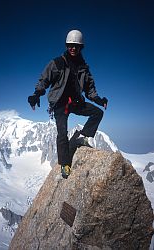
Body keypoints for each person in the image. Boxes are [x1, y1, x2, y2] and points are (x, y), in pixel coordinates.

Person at [28, 29, 108, 179]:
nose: (73, 48)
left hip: (76, 102)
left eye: (76, 46)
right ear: (66, 46)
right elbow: (44, 80)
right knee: (62, 133)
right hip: (59, 104)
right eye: (70, 45)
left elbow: (90, 88)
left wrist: (98, 99)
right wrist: (36, 94)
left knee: (98, 113)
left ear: (80, 48)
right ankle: (65, 163)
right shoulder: (57, 63)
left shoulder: (84, 68)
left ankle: (82, 136)